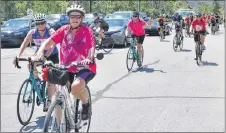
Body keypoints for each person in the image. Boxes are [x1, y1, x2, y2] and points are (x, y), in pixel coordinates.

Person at [34, 4, 96, 121]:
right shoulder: (64, 30)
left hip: (84, 67)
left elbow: (92, 47)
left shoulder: (87, 31)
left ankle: (85, 103)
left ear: (81, 18)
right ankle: (58, 126)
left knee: (75, 87)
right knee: (58, 97)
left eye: (78, 16)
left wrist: (89, 58)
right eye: (72, 16)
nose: (75, 19)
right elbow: (49, 41)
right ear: (69, 18)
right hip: (66, 67)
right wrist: (41, 50)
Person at [13, 13, 59, 111]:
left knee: (50, 78)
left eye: (42, 23)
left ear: (45, 23)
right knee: (30, 64)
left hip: (52, 55)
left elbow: (52, 46)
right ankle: (38, 82)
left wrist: (46, 56)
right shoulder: (32, 32)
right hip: (40, 54)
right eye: (38, 23)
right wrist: (18, 56)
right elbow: (24, 44)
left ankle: (50, 101)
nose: (40, 25)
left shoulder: (50, 31)